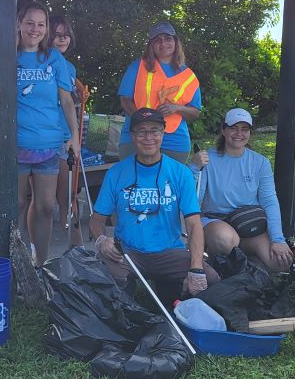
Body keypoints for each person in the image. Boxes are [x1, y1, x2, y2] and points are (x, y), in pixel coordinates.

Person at [89, 107, 209, 304]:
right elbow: (96, 219)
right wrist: (102, 240)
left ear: (163, 133)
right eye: (141, 131)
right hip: (128, 252)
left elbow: (195, 224)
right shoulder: (116, 173)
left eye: (154, 131)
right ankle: (125, 304)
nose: (148, 137)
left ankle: (170, 290)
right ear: (132, 135)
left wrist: (196, 268)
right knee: (102, 274)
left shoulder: (181, 173)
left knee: (209, 280)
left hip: (169, 251)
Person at [190, 108, 294, 271]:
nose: (239, 133)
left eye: (244, 129)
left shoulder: (260, 162)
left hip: (247, 222)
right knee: (224, 240)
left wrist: (277, 239)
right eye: (233, 127)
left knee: (281, 262)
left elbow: (269, 201)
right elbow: (193, 199)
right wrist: (194, 169)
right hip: (216, 221)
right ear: (224, 130)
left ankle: (242, 262)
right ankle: (217, 254)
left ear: (250, 132)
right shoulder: (207, 159)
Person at [16, 2, 80, 266]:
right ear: (19, 24)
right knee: (16, 206)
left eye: (41, 24)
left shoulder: (54, 58)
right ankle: (14, 263)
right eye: (30, 23)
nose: (35, 29)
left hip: (48, 145)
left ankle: (40, 263)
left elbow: (66, 100)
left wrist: (74, 136)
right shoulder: (8, 54)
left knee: (45, 206)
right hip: (15, 144)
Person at [118, 21, 202, 164]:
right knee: (133, 182)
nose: (163, 44)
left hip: (174, 141)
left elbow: (195, 111)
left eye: (168, 38)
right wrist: (142, 120)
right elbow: (125, 99)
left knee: (169, 183)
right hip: (138, 135)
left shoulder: (189, 76)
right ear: (151, 45)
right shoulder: (137, 66)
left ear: (175, 42)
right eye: (157, 40)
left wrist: (177, 108)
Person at [48, 14, 84, 245]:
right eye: (57, 35)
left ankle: (73, 242)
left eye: (66, 35)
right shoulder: (39, 61)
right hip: (43, 135)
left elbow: (69, 101)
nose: (62, 39)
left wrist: (77, 98)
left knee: (68, 192)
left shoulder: (69, 67)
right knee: (42, 197)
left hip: (65, 135)